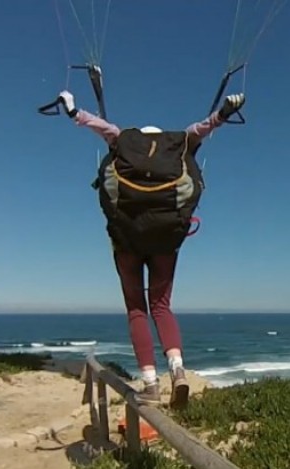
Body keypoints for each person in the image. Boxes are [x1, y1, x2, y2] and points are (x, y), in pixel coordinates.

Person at [55, 89, 246, 408]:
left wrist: (73, 110)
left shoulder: (121, 139)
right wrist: (225, 112)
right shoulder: (180, 142)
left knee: (136, 309)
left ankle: (150, 383)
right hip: (165, 240)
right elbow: (204, 127)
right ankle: (178, 370)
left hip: (126, 239)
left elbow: (97, 125)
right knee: (161, 306)